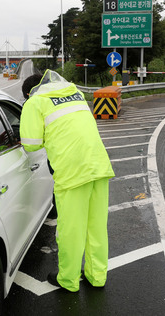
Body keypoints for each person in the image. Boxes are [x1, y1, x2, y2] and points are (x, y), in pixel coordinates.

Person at [20, 70, 115, 292]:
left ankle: (69, 279)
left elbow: (31, 144)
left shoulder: (36, 102)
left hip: (72, 172)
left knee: (71, 229)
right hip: (99, 165)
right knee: (97, 227)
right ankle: (96, 276)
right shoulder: (74, 93)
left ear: (28, 93)